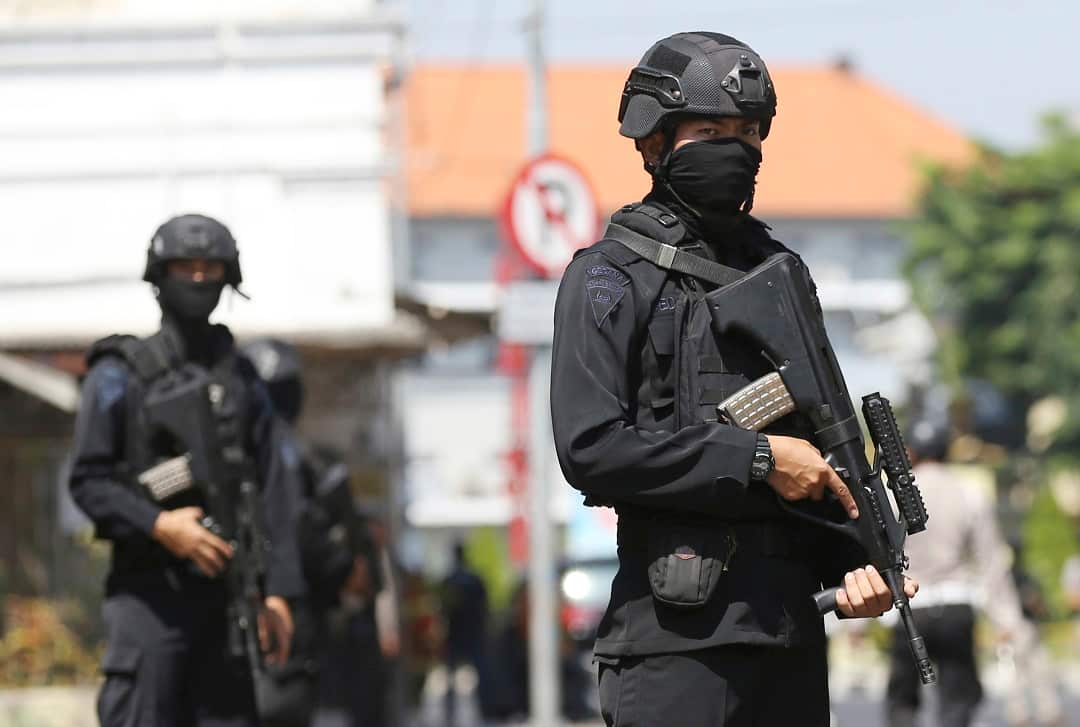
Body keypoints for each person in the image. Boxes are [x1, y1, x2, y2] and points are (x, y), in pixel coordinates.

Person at [549, 32, 917, 725]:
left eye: (749, 132)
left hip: (787, 633)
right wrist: (757, 457)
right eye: (710, 130)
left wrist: (856, 565)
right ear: (654, 142)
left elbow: (821, 442)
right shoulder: (606, 277)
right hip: (673, 648)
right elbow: (591, 448)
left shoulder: (778, 273)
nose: (735, 148)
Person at [69, 214, 302, 727]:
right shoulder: (118, 376)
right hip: (151, 598)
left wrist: (280, 593)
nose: (198, 279)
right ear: (159, 275)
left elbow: (275, 491)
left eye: (210, 267)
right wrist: (161, 526)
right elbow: (88, 480)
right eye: (185, 266)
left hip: (228, 604)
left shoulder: (243, 380)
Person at [241, 337, 391, 727]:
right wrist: (341, 567)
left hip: (292, 614)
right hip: (282, 614)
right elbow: (300, 531)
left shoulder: (288, 453)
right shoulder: (279, 452)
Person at [440, 542, 489, 727]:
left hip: (458, 634)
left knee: (454, 679)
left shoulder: (450, 580)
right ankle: (482, 711)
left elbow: (443, 608)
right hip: (470, 634)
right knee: (479, 677)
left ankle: (450, 716)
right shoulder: (471, 579)